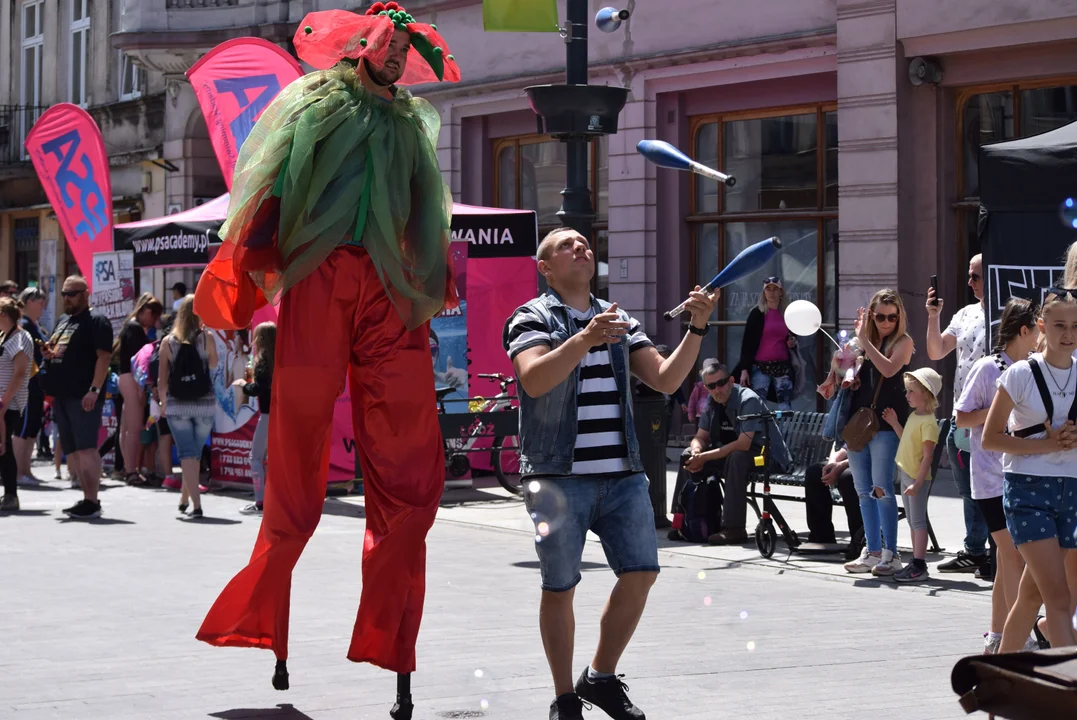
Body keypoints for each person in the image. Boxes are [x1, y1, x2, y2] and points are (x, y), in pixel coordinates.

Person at [193, 5, 462, 713]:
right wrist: (252, 255)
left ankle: (390, 640)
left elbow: (422, 208)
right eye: (392, 44)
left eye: (410, 47)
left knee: (408, 465)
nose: (401, 58)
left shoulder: (409, 121)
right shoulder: (315, 101)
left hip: (387, 291)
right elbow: (273, 179)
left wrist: (434, 276)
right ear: (365, 42)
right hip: (318, 280)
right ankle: (263, 622)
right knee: (296, 453)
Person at [504, 226, 718, 720]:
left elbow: (664, 378)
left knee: (641, 573)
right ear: (546, 268)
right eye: (565, 245)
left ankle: (599, 677)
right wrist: (584, 338)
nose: (581, 248)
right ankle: (563, 698)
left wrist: (698, 327)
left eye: (584, 242)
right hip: (558, 477)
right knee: (560, 586)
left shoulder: (619, 319)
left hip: (622, 474)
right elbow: (535, 380)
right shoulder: (530, 317)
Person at [982, 287, 1077, 650]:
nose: (1068, 334)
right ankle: (1068, 692)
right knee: (1059, 599)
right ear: (1041, 325)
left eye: (1075, 326)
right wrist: (1048, 444)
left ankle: (996, 682)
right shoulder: (1021, 373)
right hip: (1028, 490)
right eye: (1058, 325)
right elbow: (990, 439)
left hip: (1072, 490)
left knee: (1030, 597)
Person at [955, 297, 1045, 653]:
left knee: (1009, 559)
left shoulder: (1031, 369)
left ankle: (997, 635)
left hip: (1020, 477)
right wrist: (998, 409)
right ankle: (1016, 637)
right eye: (1039, 328)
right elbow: (961, 417)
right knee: (1014, 557)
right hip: (991, 479)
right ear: (1024, 331)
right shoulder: (989, 368)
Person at [680, 361, 792, 546]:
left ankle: (734, 529)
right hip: (731, 455)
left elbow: (743, 444)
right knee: (686, 456)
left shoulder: (748, 399)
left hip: (765, 457)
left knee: (737, 457)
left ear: (731, 381)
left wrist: (705, 457)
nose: (717, 389)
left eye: (721, 383)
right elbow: (700, 436)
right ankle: (685, 522)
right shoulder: (711, 401)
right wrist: (696, 450)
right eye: (711, 386)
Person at [926, 254, 990, 576]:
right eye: (969, 276)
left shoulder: (1010, 312)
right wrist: (933, 316)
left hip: (993, 417)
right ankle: (974, 550)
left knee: (993, 487)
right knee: (968, 488)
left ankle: (997, 553)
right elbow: (937, 351)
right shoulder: (965, 314)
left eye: (975, 277)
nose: (969, 283)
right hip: (960, 415)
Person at [843, 289, 914, 576]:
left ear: (900, 318)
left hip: (885, 423)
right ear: (872, 316)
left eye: (892, 317)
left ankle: (892, 554)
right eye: (881, 317)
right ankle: (872, 551)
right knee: (863, 491)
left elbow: (888, 369)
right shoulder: (867, 342)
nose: (887, 323)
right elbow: (846, 369)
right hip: (859, 423)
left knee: (881, 489)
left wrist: (864, 343)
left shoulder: (904, 342)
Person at [40, 276, 113, 520]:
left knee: (86, 449)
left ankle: (93, 501)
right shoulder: (63, 320)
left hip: (83, 396)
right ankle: (85, 498)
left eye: (72, 293)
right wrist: (49, 354)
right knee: (72, 452)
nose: (67, 298)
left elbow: (104, 358)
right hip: (62, 394)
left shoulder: (97, 321)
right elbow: (58, 349)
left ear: (85, 294)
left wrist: (94, 390)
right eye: (64, 293)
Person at [158, 295, 218, 519]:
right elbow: (213, 366)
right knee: (192, 455)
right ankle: (185, 498)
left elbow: (162, 380)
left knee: (187, 455)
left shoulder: (168, 342)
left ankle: (197, 505)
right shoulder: (207, 337)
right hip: (204, 405)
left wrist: (164, 403)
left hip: (178, 406)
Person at [882, 367, 942, 582]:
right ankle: (915, 562)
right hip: (907, 473)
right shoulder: (914, 417)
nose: (906, 395)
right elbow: (905, 439)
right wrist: (895, 423)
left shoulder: (928, 422)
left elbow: (927, 457)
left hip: (916, 478)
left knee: (917, 522)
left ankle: (919, 564)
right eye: (907, 391)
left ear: (926, 393)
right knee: (912, 522)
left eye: (911, 391)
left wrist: (918, 483)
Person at [115, 293, 163, 486]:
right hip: (132, 378)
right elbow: (140, 362)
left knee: (126, 428)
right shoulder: (135, 329)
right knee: (133, 429)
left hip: (125, 377)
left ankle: (129, 469)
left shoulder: (130, 327)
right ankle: (131, 470)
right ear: (148, 312)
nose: (153, 323)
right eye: (154, 318)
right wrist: (143, 387)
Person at [733, 276, 801, 410]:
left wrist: (792, 341)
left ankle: (783, 431)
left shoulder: (787, 313)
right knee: (758, 406)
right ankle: (761, 431)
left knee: (785, 407)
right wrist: (744, 369)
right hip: (760, 367)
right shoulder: (757, 313)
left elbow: (793, 336)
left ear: (781, 292)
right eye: (768, 289)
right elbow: (747, 343)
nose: (771, 292)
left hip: (783, 367)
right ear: (764, 293)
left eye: (775, 289)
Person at [234, 321, 275, 515]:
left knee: (256, 458)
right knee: (277, 460)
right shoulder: (282, 360)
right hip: (283, 417)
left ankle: (260, 501)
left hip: (267, 416)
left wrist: (243, 384)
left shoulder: (263, 362)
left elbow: (257, 389)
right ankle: (277, 500)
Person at [0, 299, 34, 512]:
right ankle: (9, 493)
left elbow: (20, 373)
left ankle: (11, 495)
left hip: (8, 404)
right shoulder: (4, 336)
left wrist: (3, 401)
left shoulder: (21, 338)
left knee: (4, 448)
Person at [14, 286, 47, 486]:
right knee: (22, 428)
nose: (43, 305)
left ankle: (26, 469)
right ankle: (18, 472)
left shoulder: (35, 325)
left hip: (37, 384)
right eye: (39, 301)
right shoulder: (24, 325)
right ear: (28, 302)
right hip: (26, 383)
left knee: (32, 428)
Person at [803, 445, 863, 553]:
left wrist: (841, 465)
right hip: (850, 461)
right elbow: (845, 447)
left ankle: (860, 541)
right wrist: (832, 464)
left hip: (871, 464)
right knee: (815, 472)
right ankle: (821, 537)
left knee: (848, 478)